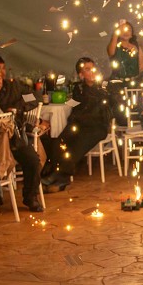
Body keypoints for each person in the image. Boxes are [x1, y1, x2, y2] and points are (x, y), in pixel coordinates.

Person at [39, 57, 113, 192]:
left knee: (73, 150)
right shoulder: (78, 89)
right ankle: (50, 175)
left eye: (92, 68)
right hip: (79, 125)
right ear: (81, 75)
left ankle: (60, 180)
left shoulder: (103, 88)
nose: (92, 72)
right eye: (87, 69)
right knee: (58, 143)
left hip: (96, 127)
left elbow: (103, 111)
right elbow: (76, 107)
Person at [0, 63, 46, 211]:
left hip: (12, 136)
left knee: (33, 160)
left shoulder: (11, 88)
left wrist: (18, 107)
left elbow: (35, 96)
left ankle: (30, 197)